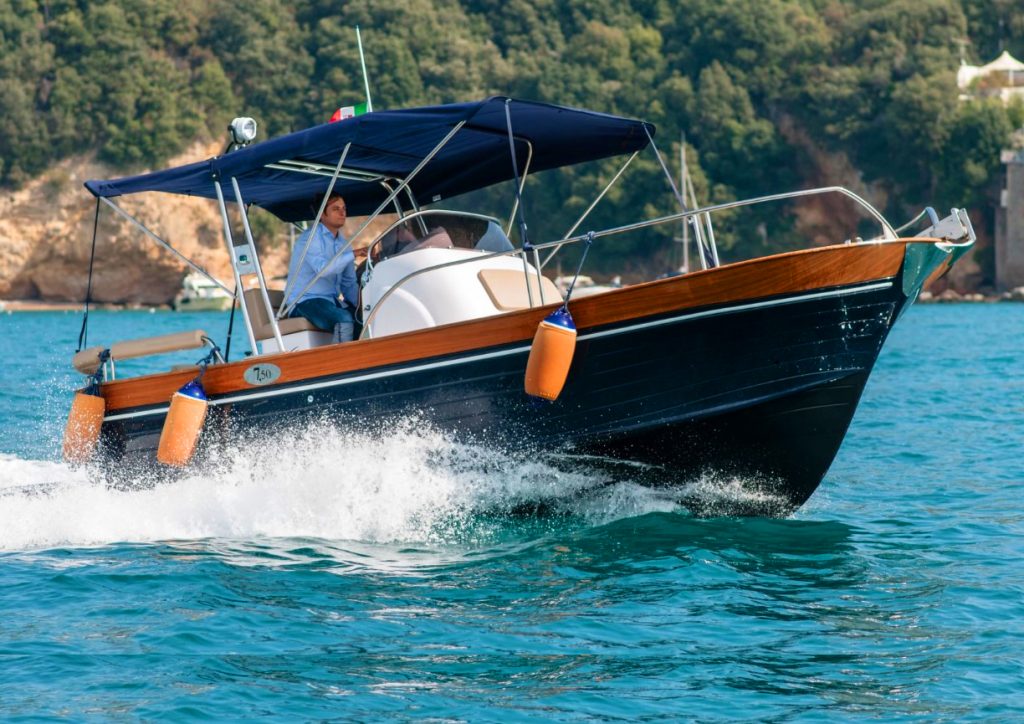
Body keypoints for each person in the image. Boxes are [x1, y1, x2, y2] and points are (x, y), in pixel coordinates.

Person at [285, 192, 358, 343]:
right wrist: (354, 254)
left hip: (330, 301)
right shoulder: (310, 237)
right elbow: (323, 270)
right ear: (322, 214)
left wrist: (364, 307)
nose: (342, 212)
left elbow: (348, 283)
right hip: (304, 301)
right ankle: (342, 363)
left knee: (360, 319)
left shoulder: (343, 244)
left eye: (344, 208)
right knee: (343, 319)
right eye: (335, 208)